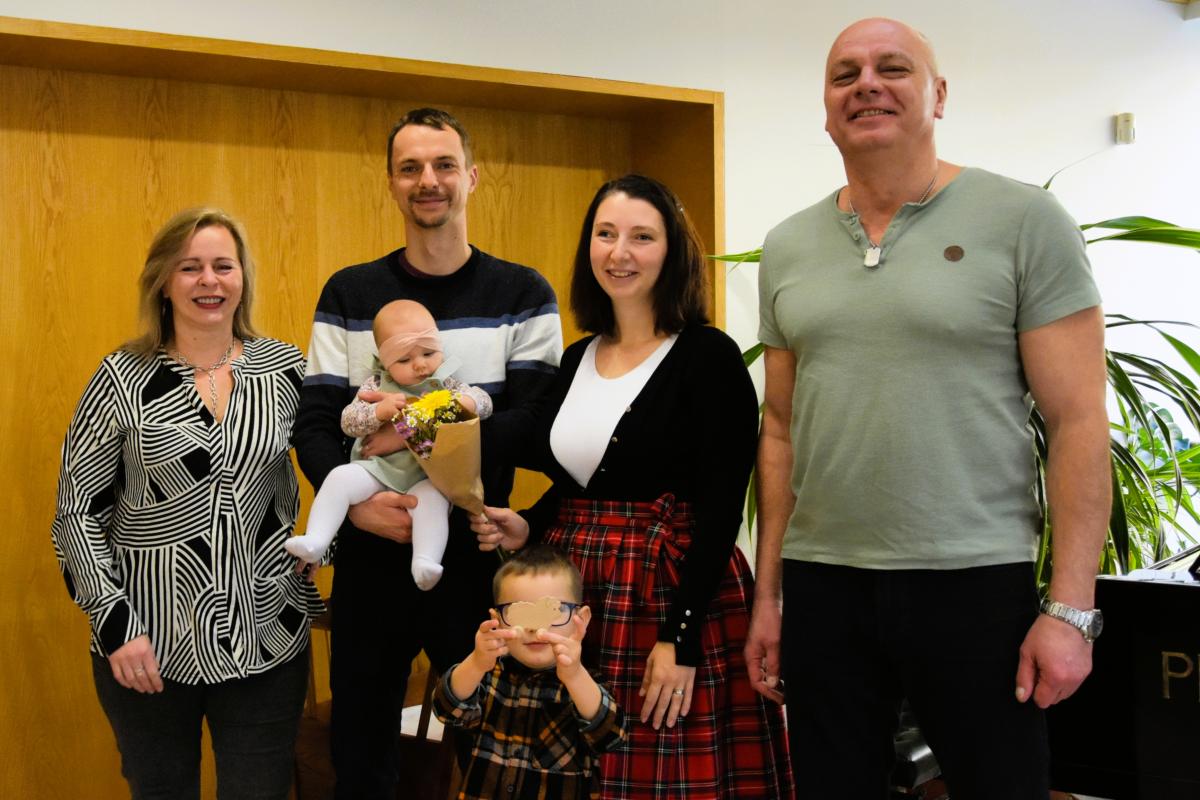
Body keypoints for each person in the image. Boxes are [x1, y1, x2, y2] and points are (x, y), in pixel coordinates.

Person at [745, 17, 1110, 799]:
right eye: (845, 74)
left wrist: (1071, 609)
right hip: (824, 583)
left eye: (893, 68)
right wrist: (769, 597)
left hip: (974, 582)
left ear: (938, 94)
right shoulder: (788, 245)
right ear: (826, 107)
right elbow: (779, 430)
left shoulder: (1023, 222)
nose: (867, 85)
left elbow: (1079, 421)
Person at [472, 174, 796, 799]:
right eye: (606, 234)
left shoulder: (709, 356)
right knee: (569, 770)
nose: (620, 252)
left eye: (642, 237)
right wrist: (529, 523)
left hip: (667, 594)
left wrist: (681, 639)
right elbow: (580, 482)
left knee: (655, 773)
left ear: (672, 251)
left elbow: (721, 509)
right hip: (573, 589)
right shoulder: (577, 357)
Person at [293, 107, 562, 799]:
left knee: (498, 756)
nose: (428, 180)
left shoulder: (523, 294)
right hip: (370, 558)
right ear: (391, 183)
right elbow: (316, 423)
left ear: (471, 177)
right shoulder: (349, 294)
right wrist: (358, 508)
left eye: (444, 165)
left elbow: (537, 424)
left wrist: (420, 426)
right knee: (360, 757)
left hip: (474, 555)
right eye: (410, 168)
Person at [51, 207, 323, 799]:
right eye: (189, 267)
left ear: (242, 278)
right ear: (163, 282)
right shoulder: (122, 377)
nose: (209, 281)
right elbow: (77, 510)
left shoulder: (285, 369)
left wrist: (322, 545)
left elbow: (337, 466)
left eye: (224, 266)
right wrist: (116, 623)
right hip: (147, 647)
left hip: (267, 636)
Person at [285, 298, 492, 590]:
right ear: (384, 361)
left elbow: (483, 403)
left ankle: (426, 561)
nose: (420, 365)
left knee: (432, 503)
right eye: (404, 360)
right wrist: (378, 413)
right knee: (340, 477)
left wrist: (451, 407)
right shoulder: (375, 385)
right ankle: (317, 538)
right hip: (378, 471)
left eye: (429, 353)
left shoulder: (446, 383)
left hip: (428, 475)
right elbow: (348, 422)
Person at [434, 544, 628, 799]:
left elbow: (612, 736)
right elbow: (446, 710)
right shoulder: (489, 674)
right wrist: (476, 663)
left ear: (581, 619)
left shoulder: (586, 683)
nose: (535, 629)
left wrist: (574, 676)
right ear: (497, 619)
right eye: (520, 612)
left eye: (553, 611)